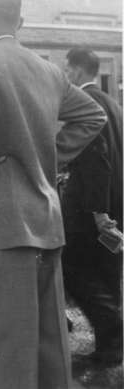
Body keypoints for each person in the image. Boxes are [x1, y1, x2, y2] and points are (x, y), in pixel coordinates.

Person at [0, 0, 107, 388]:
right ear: (22, 22)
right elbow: (92, 116)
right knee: (50, 345)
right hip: (47, 219)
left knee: (8, 348)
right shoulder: (49, 70)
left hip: (3, 220)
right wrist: (49, 154)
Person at [62, 47, 123, 366]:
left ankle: (113, 334)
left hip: (89, 209)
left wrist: (99, 212)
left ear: (77, 71)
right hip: (115, 204)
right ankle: (110, 348)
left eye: (66, 70)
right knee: (108, 273)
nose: (65, 76)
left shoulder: (86, 104)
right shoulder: (114, 104)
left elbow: (96, 160)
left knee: (73, 269)